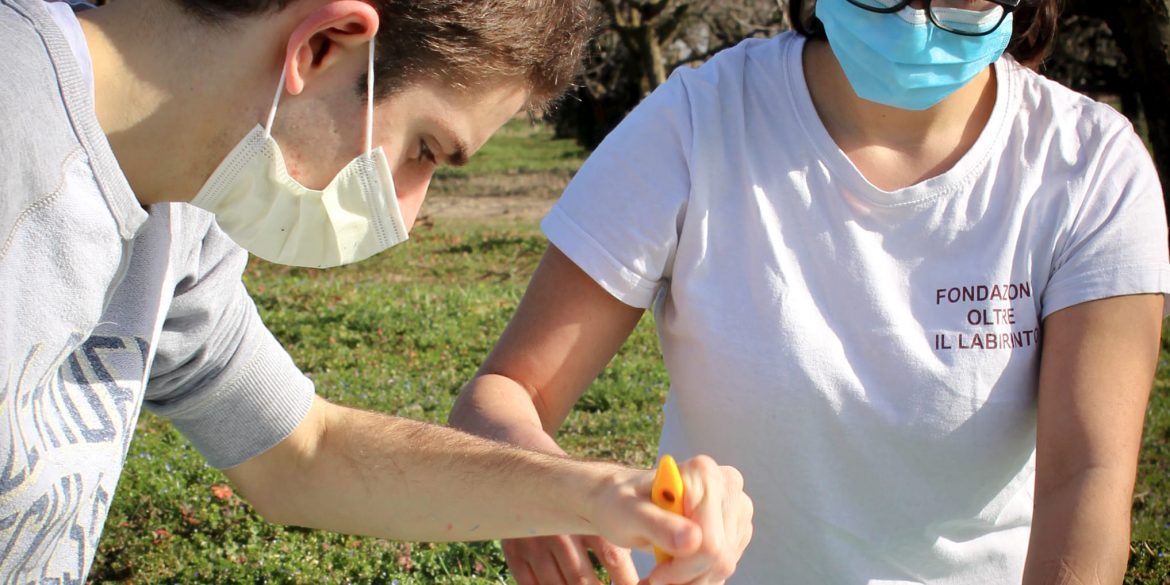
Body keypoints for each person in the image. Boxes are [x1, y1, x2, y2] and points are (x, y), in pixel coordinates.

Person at [0, 0, 755, 582]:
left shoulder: (179, 216)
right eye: (424, 149)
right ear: (325, 44)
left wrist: (591, 493)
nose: (408, 211)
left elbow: (303, 451)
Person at [448, 0, 1170, 582]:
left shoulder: (1091, 169)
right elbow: (506, 391)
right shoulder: (700, 119)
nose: (916, 13)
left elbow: (1088, 476)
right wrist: (540, 482)